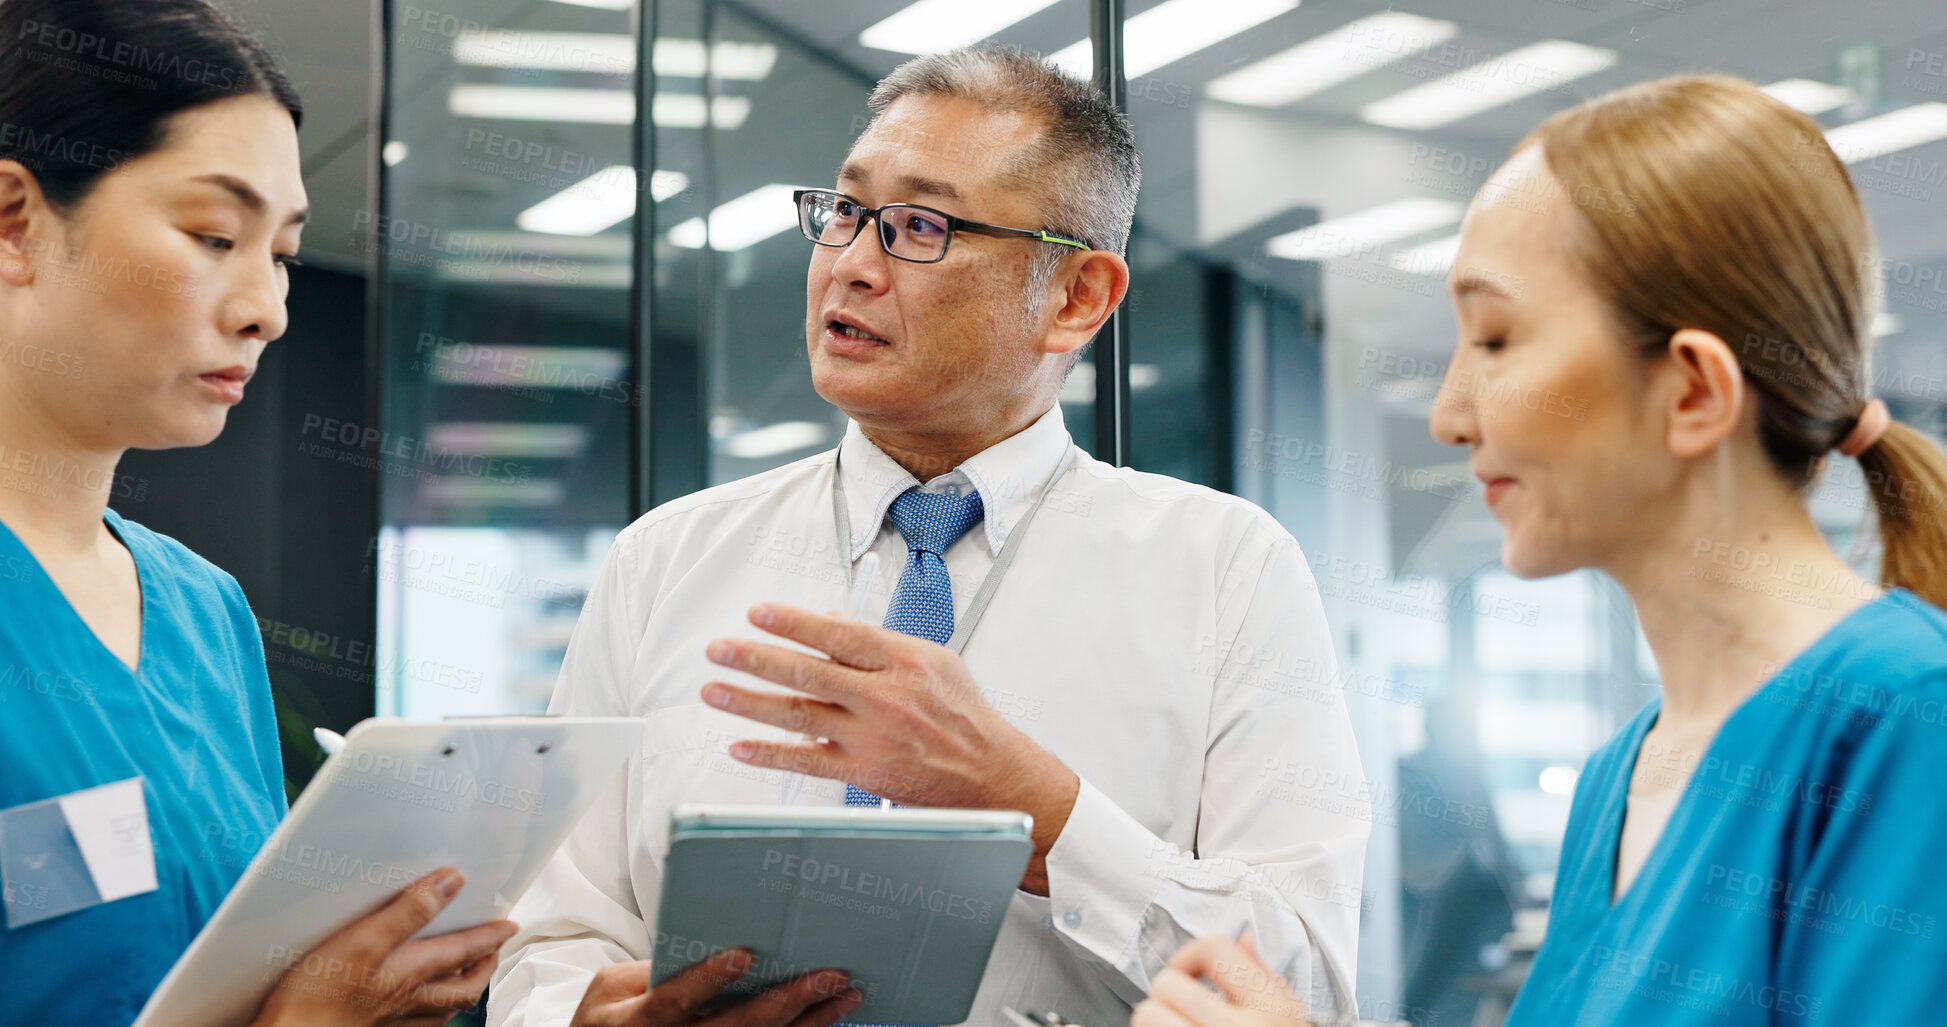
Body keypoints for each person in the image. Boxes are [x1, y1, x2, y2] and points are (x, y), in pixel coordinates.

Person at [490, 45, 1370, 1027]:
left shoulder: (1226, 569)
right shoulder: (664, 561)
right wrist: (582, 1019)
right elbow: (548, 944)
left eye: (919, 226)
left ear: (1077, 297)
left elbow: (1307, 987)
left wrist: (1041, 810)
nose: (853, 265)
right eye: (846, 210)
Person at [1136, 73, 1947, 1026]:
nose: (1447, 414)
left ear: (1691, 392)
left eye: (1494, 337)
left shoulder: (1905, 725)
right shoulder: (1619, 775)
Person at [0, 1, 513, 1023]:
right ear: (15, 222)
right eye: (215, 234)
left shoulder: (206, 609)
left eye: (279, 251)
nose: (268, 308)